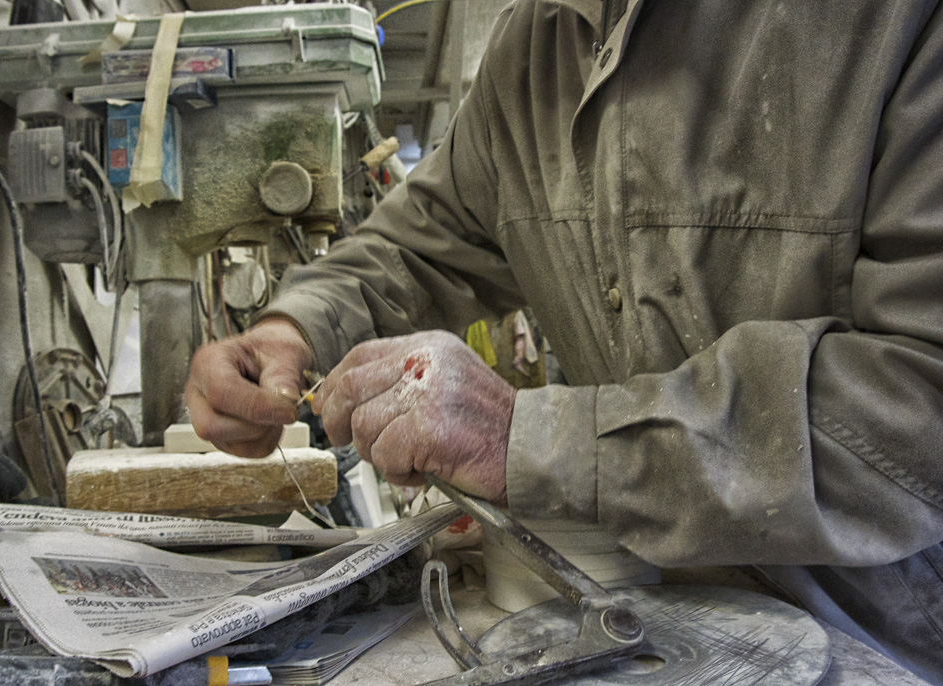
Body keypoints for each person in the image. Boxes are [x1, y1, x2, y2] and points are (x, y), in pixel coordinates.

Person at [185, 0, 943, 681]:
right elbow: (418, 245)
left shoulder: (892, 24)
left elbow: (919, 406)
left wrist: (532, 439)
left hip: (882, 640)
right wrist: (293, 327)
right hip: (636, 625)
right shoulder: (535, 47)